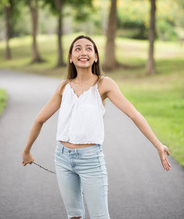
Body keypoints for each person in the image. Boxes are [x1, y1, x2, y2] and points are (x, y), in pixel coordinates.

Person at [22, 35, 171, 219]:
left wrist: (158, 145)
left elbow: (134, 114)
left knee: (100, 216)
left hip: (91, 160)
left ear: (96, 56)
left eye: (88, 48)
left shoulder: (103, 84)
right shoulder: (63, 87)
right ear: (70, 57)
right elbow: (39, 120)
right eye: (77, 48)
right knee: (74, 215)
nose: (83, 52)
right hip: (62, 159)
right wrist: (27, 151)